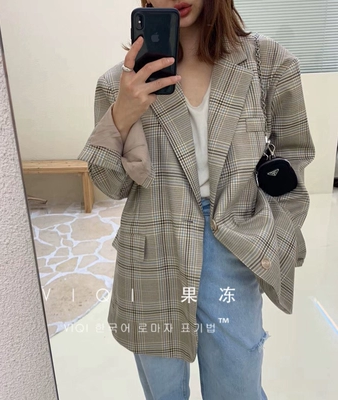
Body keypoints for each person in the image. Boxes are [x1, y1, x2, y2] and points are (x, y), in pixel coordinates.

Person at [78, 0, 315, 399]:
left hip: (234, 247)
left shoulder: (268, 62)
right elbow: (111, 185)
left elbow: (295, 153)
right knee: (164, 392)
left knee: (237, 387)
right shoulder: (119, 84)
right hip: (153, 254)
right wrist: (122, 115)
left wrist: (275, 235)